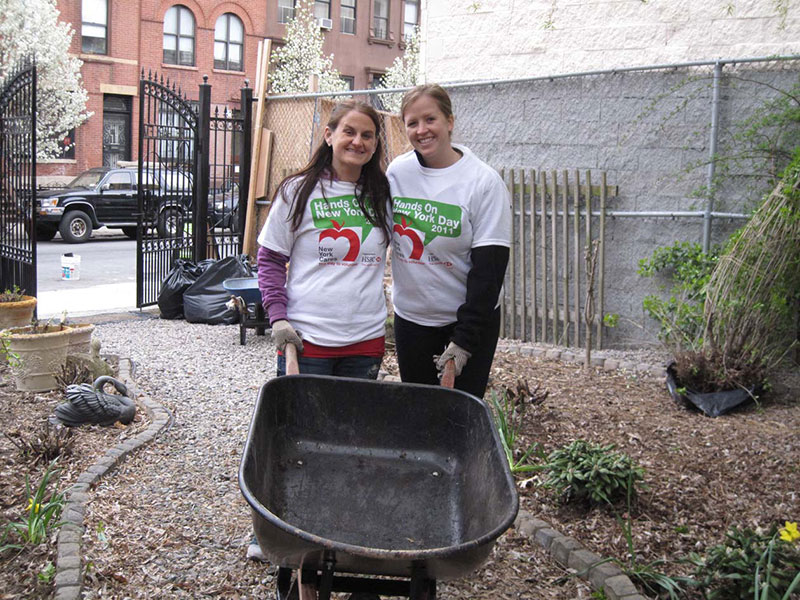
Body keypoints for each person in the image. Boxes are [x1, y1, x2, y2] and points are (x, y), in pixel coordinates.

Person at [387, 84, 511, 398]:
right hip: (412, 320)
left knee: (459, 415)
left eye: (430, 119)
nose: (421, 130)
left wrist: (465, 341)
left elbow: (490, 271)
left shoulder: (483, 182)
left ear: (450, 121)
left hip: (466, 322)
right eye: (412, 123)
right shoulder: (398, 173)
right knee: (419, 409)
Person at [256, 100, 392, 378]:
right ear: (329, 136)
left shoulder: (382, 195)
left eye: (367, 135)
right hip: (307, 339)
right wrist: (279, 318)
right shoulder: (297, 191)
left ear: (376, 143)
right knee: (302, 422)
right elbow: (270, 259)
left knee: (354, 422)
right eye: (349, 132)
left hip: (365, 341)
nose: (358, 142)